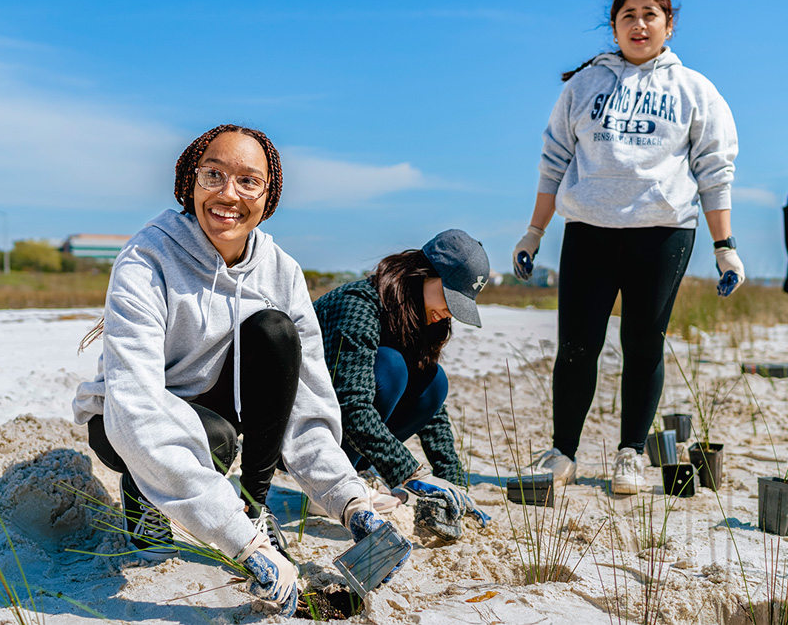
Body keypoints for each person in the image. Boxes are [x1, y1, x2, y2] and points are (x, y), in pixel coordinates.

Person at [73, 124, 409, 616]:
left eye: (248, 181)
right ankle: (143, 493)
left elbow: (309, 401)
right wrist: (243, 545)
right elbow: (135, 405)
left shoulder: (281, 271)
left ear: (267, 196)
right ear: (190, 180)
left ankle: (254, 501)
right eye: (213, 175)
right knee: (205, 441)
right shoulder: (146, 259)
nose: (229, 194)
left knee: (275, 331)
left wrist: (351, 502)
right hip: (127, 421)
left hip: (220, 407)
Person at [511, 0, 745, 495]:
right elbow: (553, 162)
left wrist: (724, 247)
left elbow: (714, 170)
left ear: (668, 23)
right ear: (614, 26)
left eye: (649, 14)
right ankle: (562, 453)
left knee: (643, 344)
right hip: (589, 231)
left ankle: (630, 455)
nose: (638, 25)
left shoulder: (694, 90)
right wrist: (534, 232)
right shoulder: (582, 87)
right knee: (576, 345)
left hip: (662, 234)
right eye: (628, 16)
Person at [313, 229, 491, 540]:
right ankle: (331, 484)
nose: (450, 313)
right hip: (304, 442)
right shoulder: (358, 305)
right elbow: (351, 405)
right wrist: (412, 475)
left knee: (434, 382)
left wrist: (454, 484)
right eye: (451, 299)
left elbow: (432, 413)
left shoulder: (424, 320)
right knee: (391, 367)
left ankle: (354, 475)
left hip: (350, 443)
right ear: (423, 274)